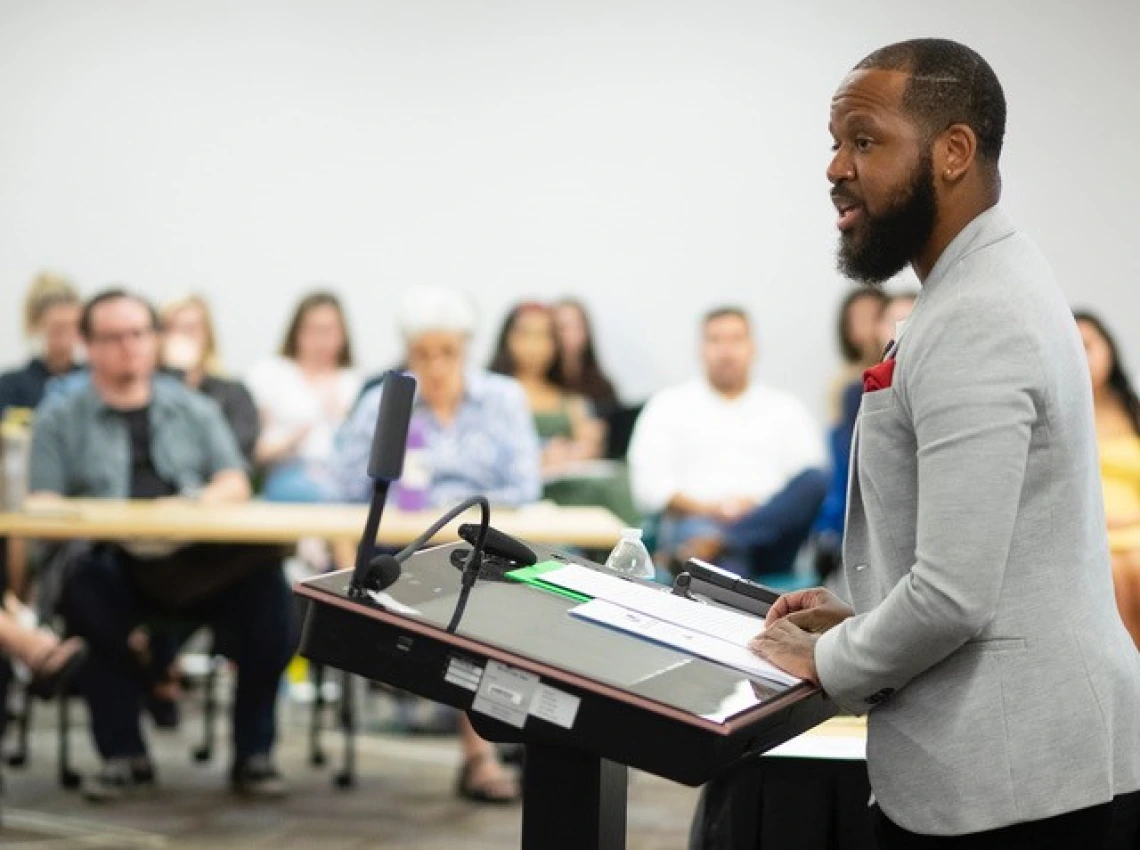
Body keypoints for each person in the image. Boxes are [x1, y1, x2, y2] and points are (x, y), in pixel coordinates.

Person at [751, 39, 1140, 847]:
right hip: (1025, 761)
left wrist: (827, 661)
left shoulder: (980, 317)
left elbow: (955, 595)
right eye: (834, 142)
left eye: (864, 140)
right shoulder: (980, 283)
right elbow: (995, 559)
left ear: (953, 152)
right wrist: (860, 615)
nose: (834, 168)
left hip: (1019, 781)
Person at [28, 289, 293, 801]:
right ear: (87, 345)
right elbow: (39, 504)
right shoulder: (59, 417)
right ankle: (125, 751)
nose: (128, 347)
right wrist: (108, 519)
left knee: (271, 592)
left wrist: (192, 505)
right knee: (83, 585)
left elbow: (234, 482)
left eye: (138, 334)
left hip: (195, 561)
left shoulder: (193, 409)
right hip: (112, 564)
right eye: (112, 337)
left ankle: (254, 754)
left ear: (154, 340)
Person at [331, 285, 540, 803]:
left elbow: (523, 487)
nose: (436, 365)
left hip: (484, 544)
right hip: (405, 553)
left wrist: (455, 508)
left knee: (504, 597)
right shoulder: (387, 402)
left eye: (448, 352)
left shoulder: (502, 399)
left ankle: (526, 739)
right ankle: (481, 754)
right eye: (423, 354)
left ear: (466, 349)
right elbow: (344, 490)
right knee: (467, 606)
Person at [627, 307, 827, 578]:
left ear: (752, 348)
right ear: (700, 349)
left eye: (736, 339)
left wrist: (756, 513)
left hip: (771, 534)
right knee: (725, 563)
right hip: (695, 524)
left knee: (816, 479)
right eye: (715, 340)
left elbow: (809, 484)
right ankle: (724, 547)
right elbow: (649, 488)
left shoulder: (787, 409)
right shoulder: (667, 406)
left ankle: (723, 542)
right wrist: (712, 509)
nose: (726, 351)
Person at [489, 301, 639, 525]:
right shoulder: (491, 395)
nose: (534, 346)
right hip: (519, 496)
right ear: (507, 339)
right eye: (525, 335)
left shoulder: (571, 401)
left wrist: (580, 451)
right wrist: (538, 460)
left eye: (544, 336)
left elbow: (586, 447)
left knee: (618, 480)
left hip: (569, 490)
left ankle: (631, 549)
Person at [247, 291, 361, 501]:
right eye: (314, 330)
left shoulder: (353, 383)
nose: (322, 339)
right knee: (324, 494)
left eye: (330, 330)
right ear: (297, 332)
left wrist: (345, 416)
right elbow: (250, 448)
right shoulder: (272, 373)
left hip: (345, 477)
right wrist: (290, 441)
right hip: (289, 473)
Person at [814, 288, 890, 580]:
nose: (868, 326)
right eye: (859, 319)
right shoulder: (847, 388)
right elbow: (844, 460)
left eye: (874, 317)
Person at [1074, 311, 1140, 648]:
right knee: (1113, 571)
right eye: (1074, 347)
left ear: (1108, 348)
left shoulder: (1133, 409)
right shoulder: (1063, 416)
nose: (1083, 357)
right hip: (1093, 531)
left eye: (1088, 345)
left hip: (1136, 525)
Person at [160, 294, 259, 465]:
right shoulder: (147, 391)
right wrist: (174, 374)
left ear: (208, 335)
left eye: (190, 329)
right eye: (172, 329)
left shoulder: (232, 392)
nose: (180, 337)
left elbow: (236, 454)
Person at [0, 272, 83, 418]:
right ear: (37, 325)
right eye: (58, 328)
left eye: (72, 326)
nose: (66, 337)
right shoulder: (10, 387)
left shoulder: (95, 382)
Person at [552, 298, 620, 415]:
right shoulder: (540, 386)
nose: (571, 335)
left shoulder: (602, 388)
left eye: (577, 327)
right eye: (563, 328)